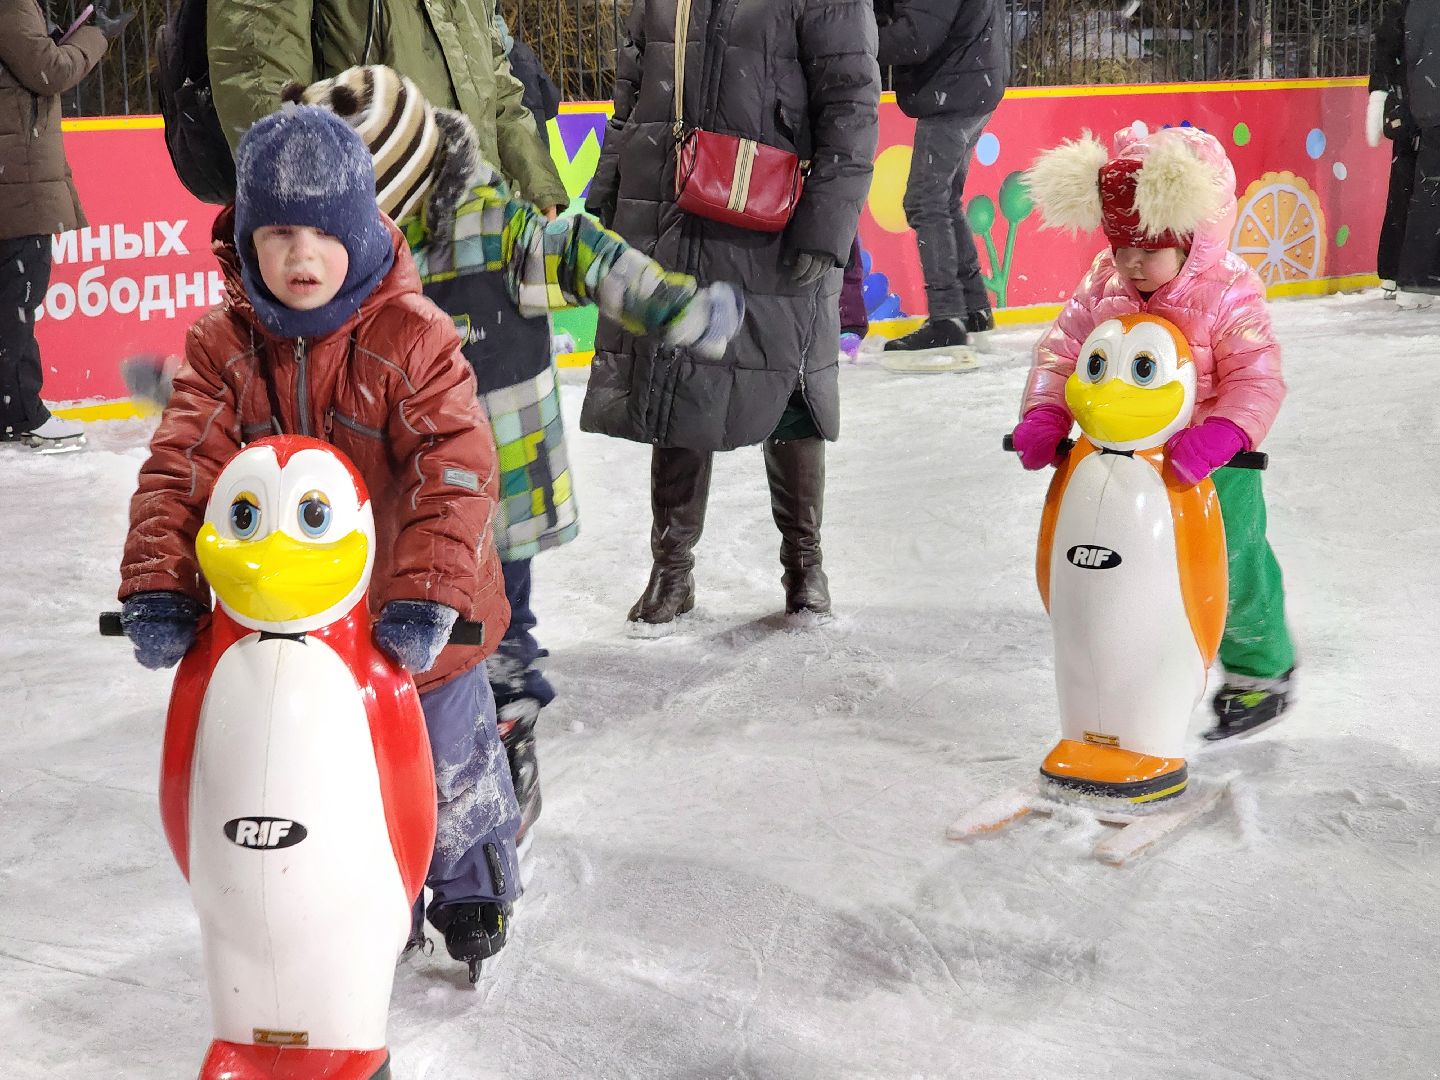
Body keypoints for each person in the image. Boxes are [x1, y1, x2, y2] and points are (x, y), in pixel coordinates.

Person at [117, 108, 526, 976]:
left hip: (412, 615)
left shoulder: (413, 337)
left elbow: (455, 469)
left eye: (323, 233)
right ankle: (347, 887)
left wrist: (424, 596)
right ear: (248, 239)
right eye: (279, 233)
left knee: (445, 741)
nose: (302, 257)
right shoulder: (223, 347)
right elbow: (180, 465)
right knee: (316, 767)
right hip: (288, 619)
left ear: (362, 228)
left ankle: (472, 882)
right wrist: (162, 582)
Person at [286, 63, 741, 841]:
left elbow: (588, 256)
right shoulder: (346, 263)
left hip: (496, 493)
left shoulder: (497, 231)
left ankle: (507, 734)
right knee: (391, 625)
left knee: (497, 631)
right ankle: (384, 743)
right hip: (391, 492)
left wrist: (679, 308)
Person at [582, 0, 881, 624]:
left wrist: (827, 225)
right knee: (677, 387)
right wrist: (609, 188)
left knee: (791, 390)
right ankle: (672, 569)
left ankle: (805, 563)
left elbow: (851, 105)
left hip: (776, 217)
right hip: (672, 210)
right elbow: (632, 96)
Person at [1014, 126, 1296, 739]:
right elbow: (1062, 353)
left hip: (1215, 465)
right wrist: (1044, 414)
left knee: (1232, 563)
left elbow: (1258, 375)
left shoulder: (1227, 291)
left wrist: (1222, 433)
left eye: (1149, 248)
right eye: (1120, 246)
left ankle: (1260, 669)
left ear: (1190, 238)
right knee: (1133, 567)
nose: (1131, 263)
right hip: (1121, 462)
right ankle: (1139, 665)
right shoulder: (1104, 284)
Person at [0, 0, 129, 451]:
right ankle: (21, 416)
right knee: (16, 303)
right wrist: (96, 36)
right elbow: (48, 71)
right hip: (17, 179)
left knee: (13, 300)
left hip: (14, 176)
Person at [877, 0, 1009, 369]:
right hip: (971, 83)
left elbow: (915, 37)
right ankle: (972, 308)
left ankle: (947, 318)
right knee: (944, 199)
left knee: (925, 201)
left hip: (954, 90)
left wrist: (856, 39)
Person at [1366, 0, 1419, 300]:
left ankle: (1397, 272)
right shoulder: (1404, 11)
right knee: (1406, 191)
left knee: (1409, 192)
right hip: (1414, 111)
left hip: (1416, 107)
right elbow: (1385, 59)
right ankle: (1395, 272)